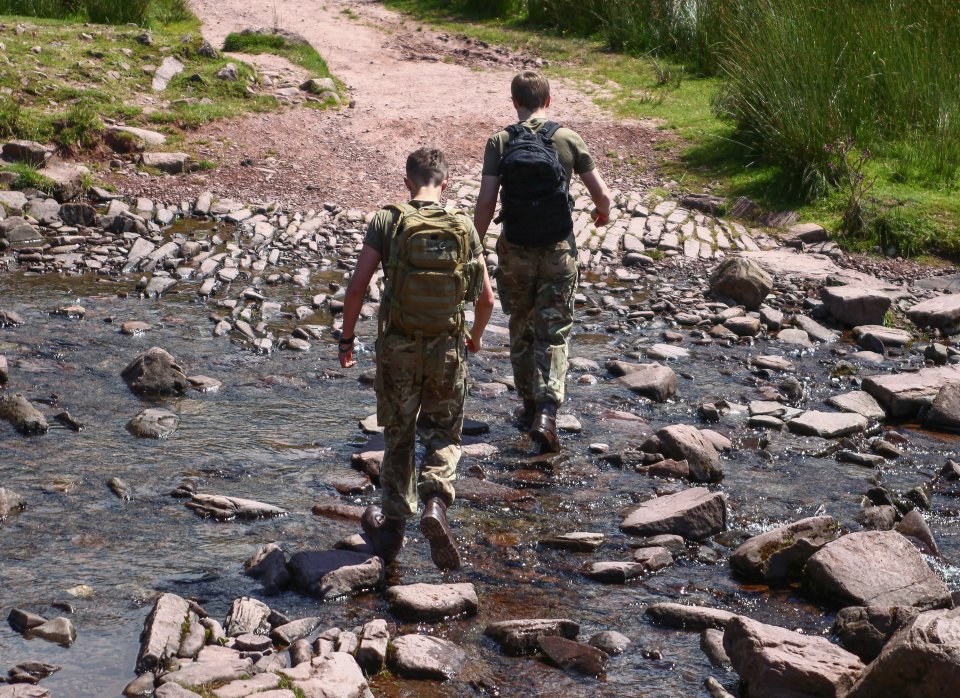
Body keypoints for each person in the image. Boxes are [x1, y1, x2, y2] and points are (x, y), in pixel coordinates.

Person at [338, 147, 494, 571]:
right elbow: (486, 299)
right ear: (445, 183)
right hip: (447, 347)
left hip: (399, 347)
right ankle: (436, 504)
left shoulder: (389, 219)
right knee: (443, 433)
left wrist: (346, 338)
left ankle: (391, 530)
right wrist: (474, 339)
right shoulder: (463, 225)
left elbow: (356, 288)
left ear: (407, 182)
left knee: (399, 434)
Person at [473, 70, 612, 453]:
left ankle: (529, 405)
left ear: (513, 101)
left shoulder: (500, 142)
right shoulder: (567, 137)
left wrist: (473, 245)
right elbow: (603, 197)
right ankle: (548, 414)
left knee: (520, 324)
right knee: (555, 331)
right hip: (557, 252)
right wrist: (603, 216)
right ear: (548, 101)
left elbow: (486, 203)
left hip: (514, 250)